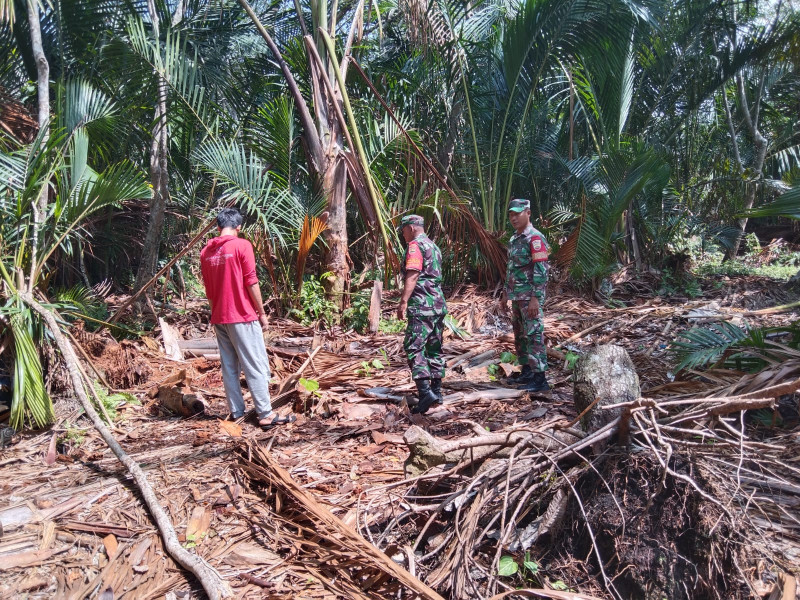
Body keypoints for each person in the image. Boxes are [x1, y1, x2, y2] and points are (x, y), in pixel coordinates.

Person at [200, 208, 293, 427]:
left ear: (218, 227)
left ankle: (237, 413)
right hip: (241, 314)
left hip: (220, 316)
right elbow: (251, 281)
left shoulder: (206, 251)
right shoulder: (242, 245)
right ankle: (265, 414)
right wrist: (261, 313)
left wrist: (215, 313)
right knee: (255, 364)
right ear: (239, 227)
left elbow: (208, 288)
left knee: (230, 366)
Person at [397, 214, 447, 415]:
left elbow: (413, 273)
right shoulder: (433, 246)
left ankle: (425, 392)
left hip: (422, 304)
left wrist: (404, 301)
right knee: (434, 348)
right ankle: (437, 392)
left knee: (413, 346)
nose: (403, 235)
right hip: (437, 304)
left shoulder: (415, 246)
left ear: (411, 228)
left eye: (403, 230)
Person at [498, 199, 550, 392]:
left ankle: (540, 378)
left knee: (534, 335)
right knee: (520, 336)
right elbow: (510, 268)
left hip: (530, 297)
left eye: (517, 214)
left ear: (528, 213)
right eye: (511, 214)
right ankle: (527, 370)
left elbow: (542, 269)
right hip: (517, 296)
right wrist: (505, 294)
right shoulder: (514, 239)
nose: (513, 218)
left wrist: (536, 297)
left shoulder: (535, 238)